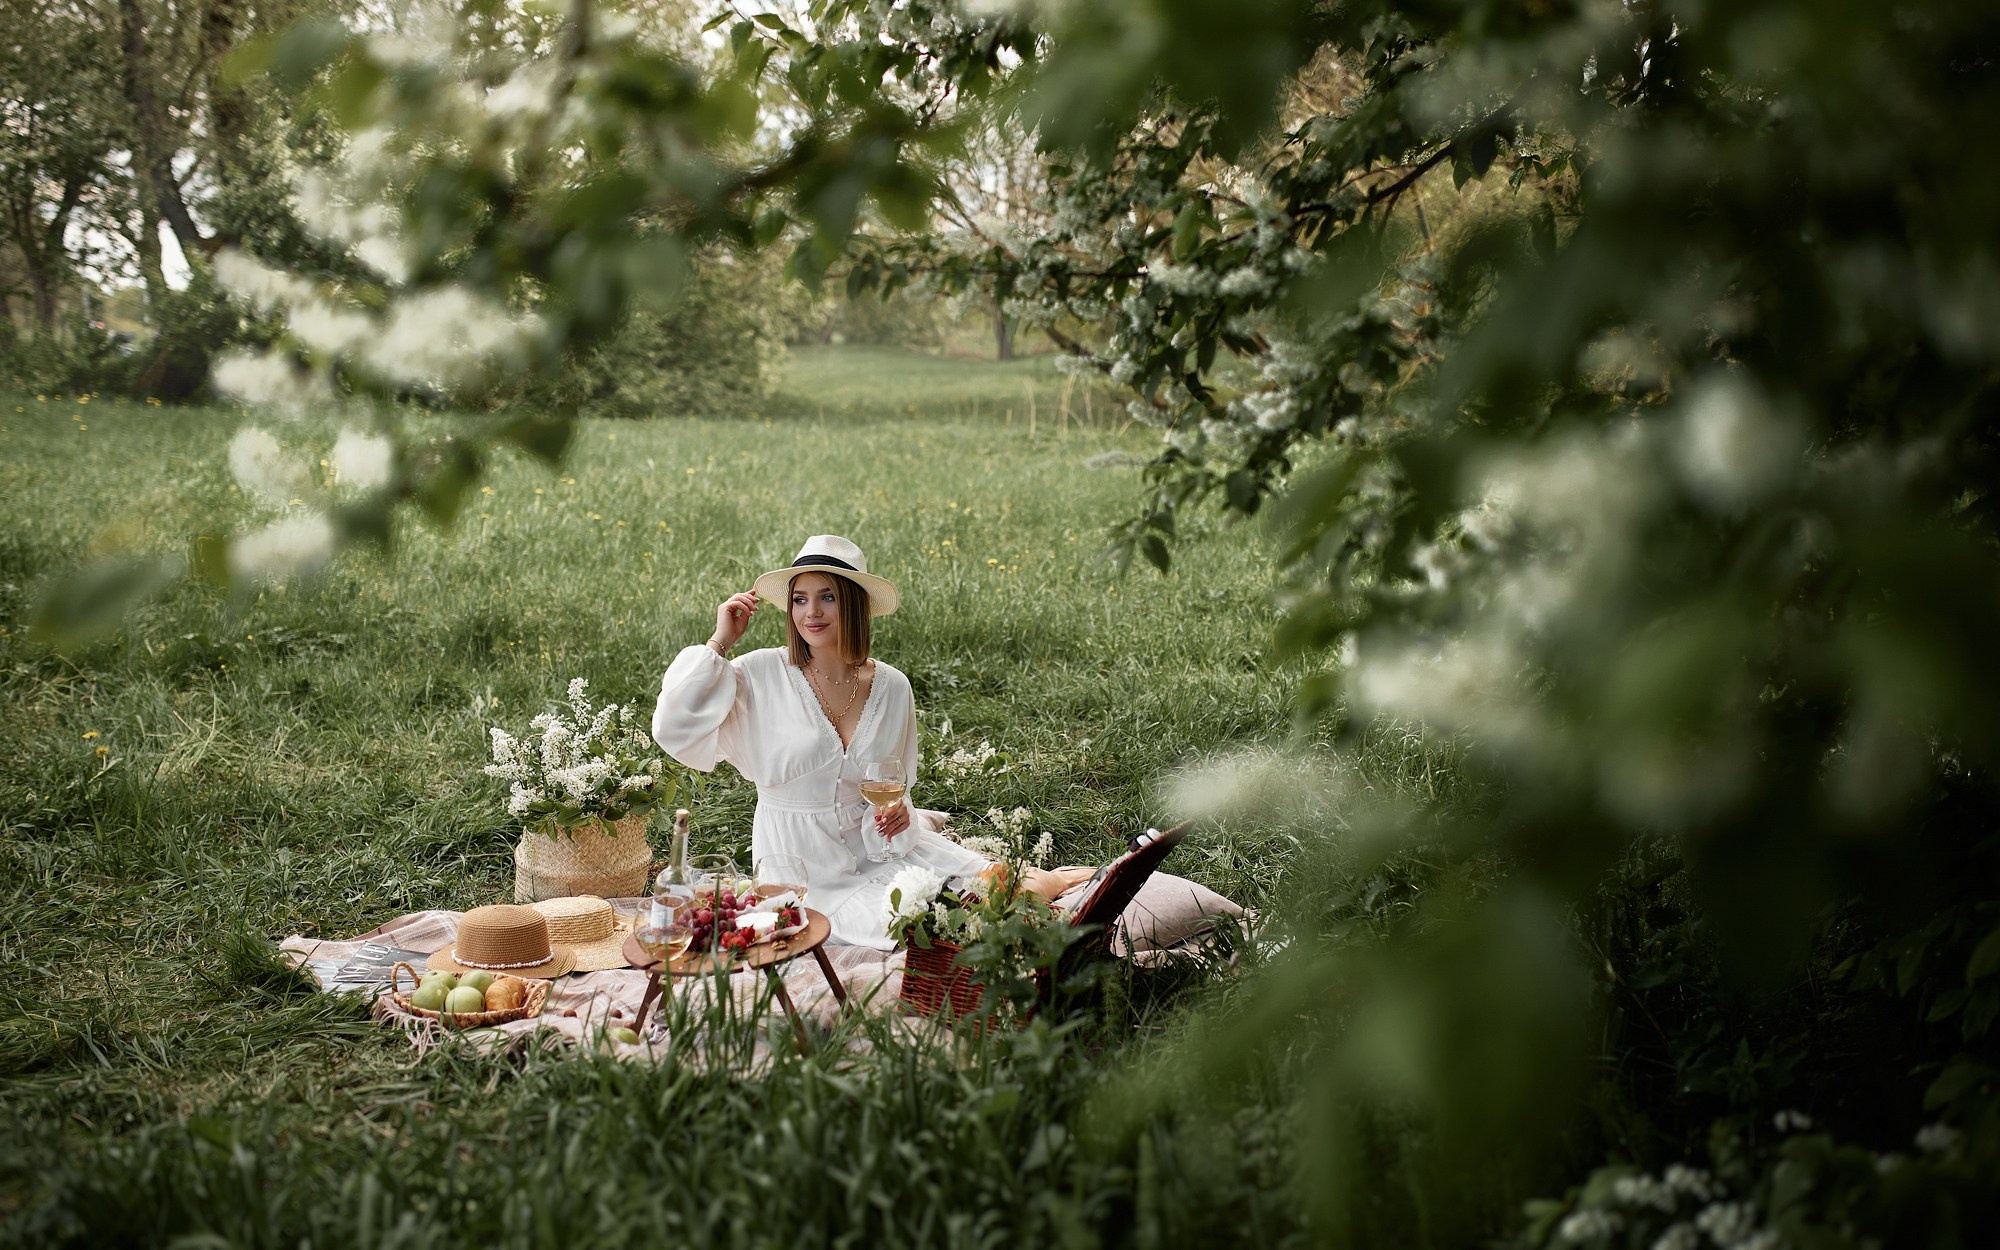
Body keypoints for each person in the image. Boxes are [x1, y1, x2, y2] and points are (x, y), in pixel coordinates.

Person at [651, 535, 1089, 948]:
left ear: (855, 606)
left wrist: (899, 814)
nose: (811, 613)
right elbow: (674, 724)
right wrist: (720, 641)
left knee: (993, 891)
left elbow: (894, 788)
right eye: (800, 600)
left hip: (877, 849)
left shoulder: (892, 686)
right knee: (925, 926)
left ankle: (1063, 882)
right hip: (805, 867)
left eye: (828, 598)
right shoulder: (760, 675)